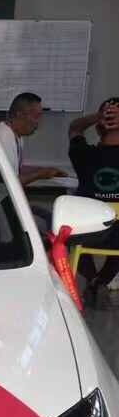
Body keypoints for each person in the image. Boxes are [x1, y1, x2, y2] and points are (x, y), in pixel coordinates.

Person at [68, 98, 119, 305]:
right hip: (118, 236)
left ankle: (90, 277)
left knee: (70, 228)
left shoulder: (84, 155)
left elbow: (75, 128)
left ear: (98, 129)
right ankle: (101, 281)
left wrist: (98, 117)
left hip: (89, 234)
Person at [0, 93, 61, 188]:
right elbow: (9, 183)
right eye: (35, 117)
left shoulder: (15, 134)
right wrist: (40, 174)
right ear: (20, 116)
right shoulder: (4, 138)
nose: (38, 122)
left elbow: (17, 169)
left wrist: (44, 170)